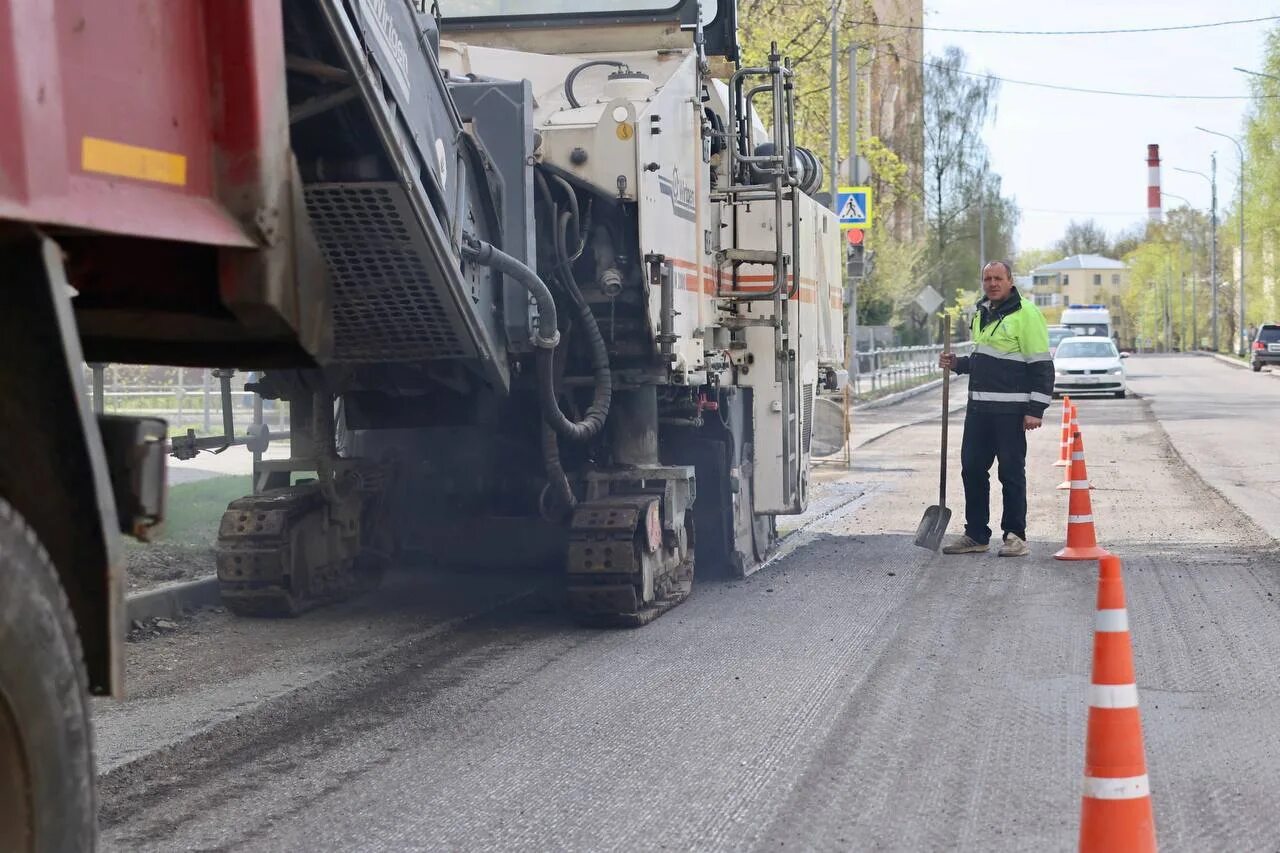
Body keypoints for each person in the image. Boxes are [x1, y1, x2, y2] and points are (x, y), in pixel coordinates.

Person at [938, 261, 1053, 557]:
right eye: (987, 278)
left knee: (1011, 474)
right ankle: (976, 534)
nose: (992, 283)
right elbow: (985, 358)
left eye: (998, 278)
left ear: (1010, 281)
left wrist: (1035, 409)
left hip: (1011, 413)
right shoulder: (982, 313)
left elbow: (1041, 366)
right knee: (972, 470)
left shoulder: (1026, 314)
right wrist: (959, 364)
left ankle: (1015, 536)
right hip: (979, 411)